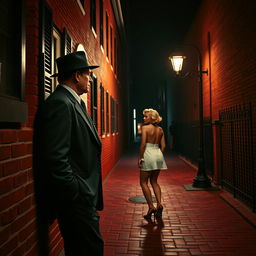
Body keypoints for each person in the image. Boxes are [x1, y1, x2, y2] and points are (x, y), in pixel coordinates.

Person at [33, 51, 104, 256]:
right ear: (76, 76)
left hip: (83, 199)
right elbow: (55, 158)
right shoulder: (60, 103)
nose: (89, 79)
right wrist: (76, 193)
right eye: (87, 74)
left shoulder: (74, 102)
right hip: (76, 203)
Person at [138, 108, 167, 220]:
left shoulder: (145, 128)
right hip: (158, 154)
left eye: (146, 116)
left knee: (143, 182)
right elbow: (163, 146)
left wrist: (140, 157)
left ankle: (151, 207)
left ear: (152, 118)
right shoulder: (160, 130)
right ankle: (159, 204)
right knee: (154, 181)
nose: (144, 118)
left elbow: (143, 144)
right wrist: (158, 155)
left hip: (148, 154)